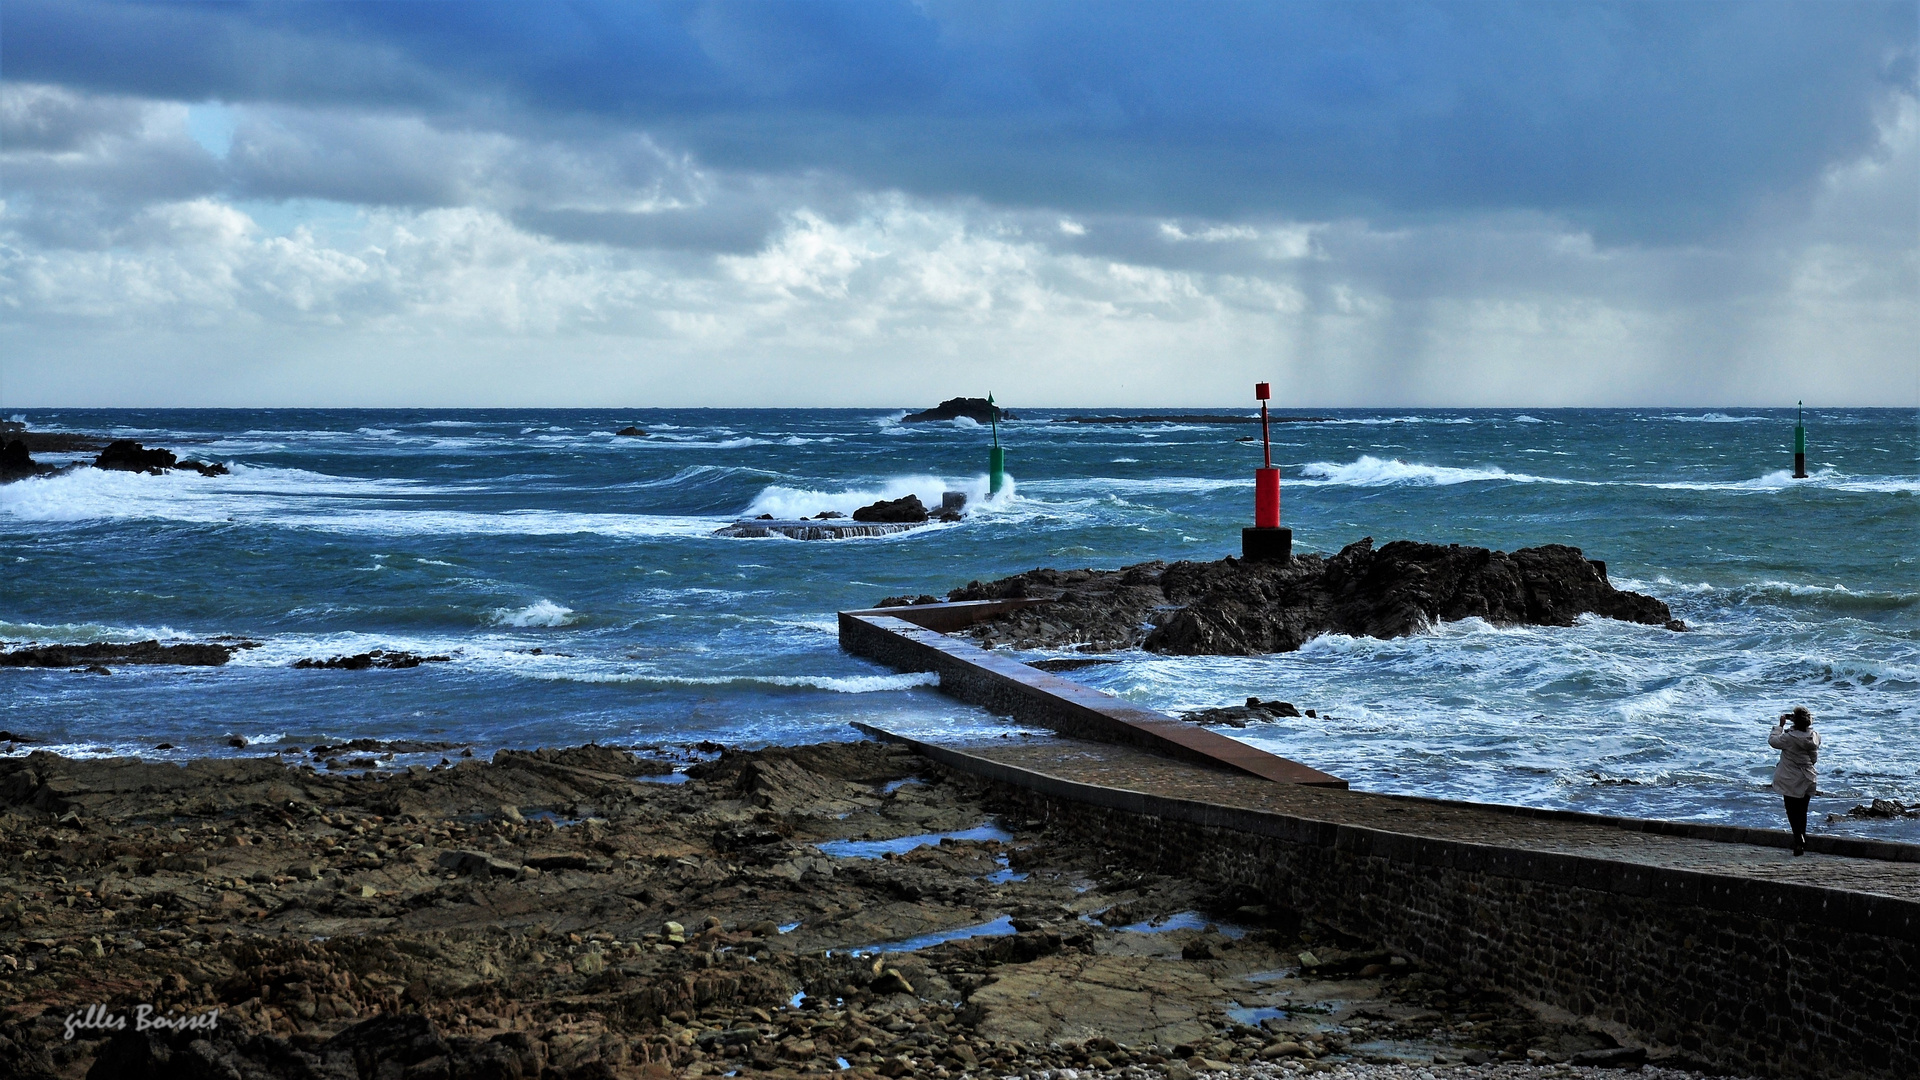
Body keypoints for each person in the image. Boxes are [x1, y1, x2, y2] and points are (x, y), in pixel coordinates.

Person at [1769, 706, 1821, 855]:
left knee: (1792, 811)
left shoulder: (1788, 738)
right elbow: (1814, 759)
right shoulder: (1814, 737)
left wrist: (1780, 726)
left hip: (1790, 778)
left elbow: (1773, 741)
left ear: (1795, 721)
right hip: (1808, 777)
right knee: (1802, 811)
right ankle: (1802, 838)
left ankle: (1799, 840)